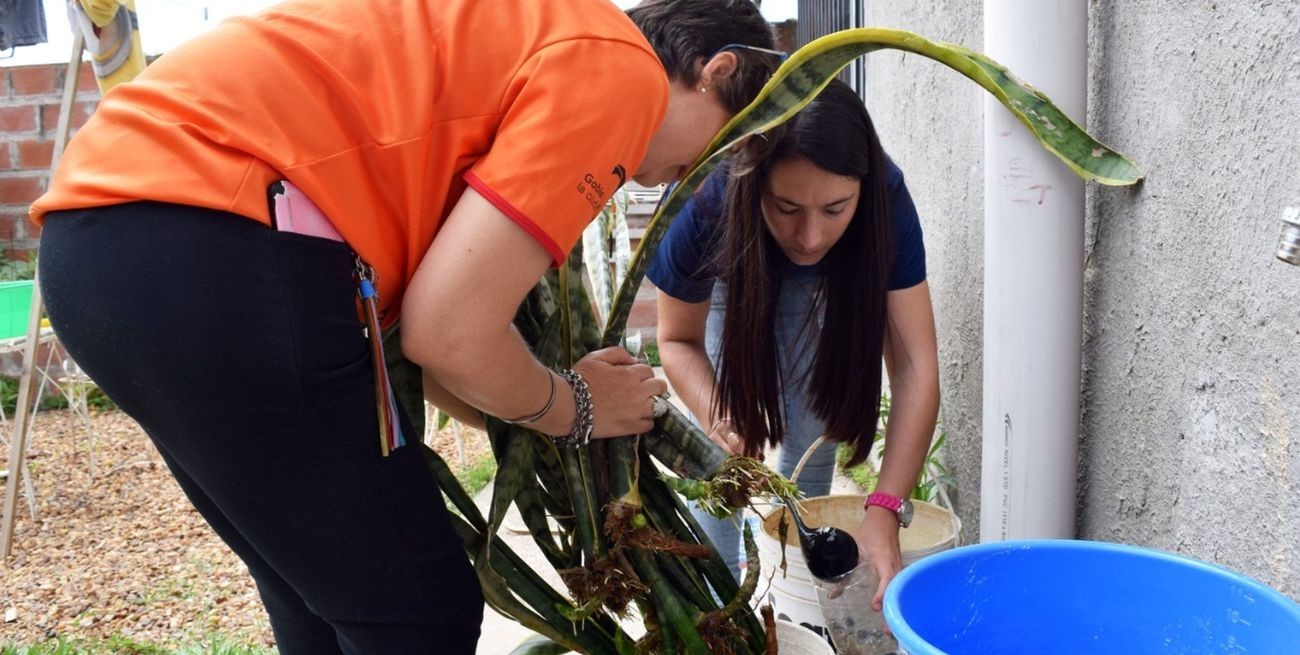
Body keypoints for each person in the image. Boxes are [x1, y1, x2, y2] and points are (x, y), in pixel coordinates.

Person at [30, 0, 779, 652]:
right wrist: (576, 406)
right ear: (713, 72)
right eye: (718, 146)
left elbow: (444, 344)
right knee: (418, 610)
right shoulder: (623, 71)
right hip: (213, 247)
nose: (690, 176)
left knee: (325, 595)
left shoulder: (529, 30)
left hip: (104, 246)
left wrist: (538, 404)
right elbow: (447, 332)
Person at [648, 80, 941, 613]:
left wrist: (883, 506)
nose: (809, 236)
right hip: (731, 266)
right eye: (786, 206)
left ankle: (793, 598)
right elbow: (676, 338)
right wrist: (720, 417)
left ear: (862, 190)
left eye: (835, 209)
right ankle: (716, 601)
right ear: (755, 184)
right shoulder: (709, 197)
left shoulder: (886, 196)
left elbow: (916, 367)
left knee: (811, 427)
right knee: (718, 457)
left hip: (820, 283)